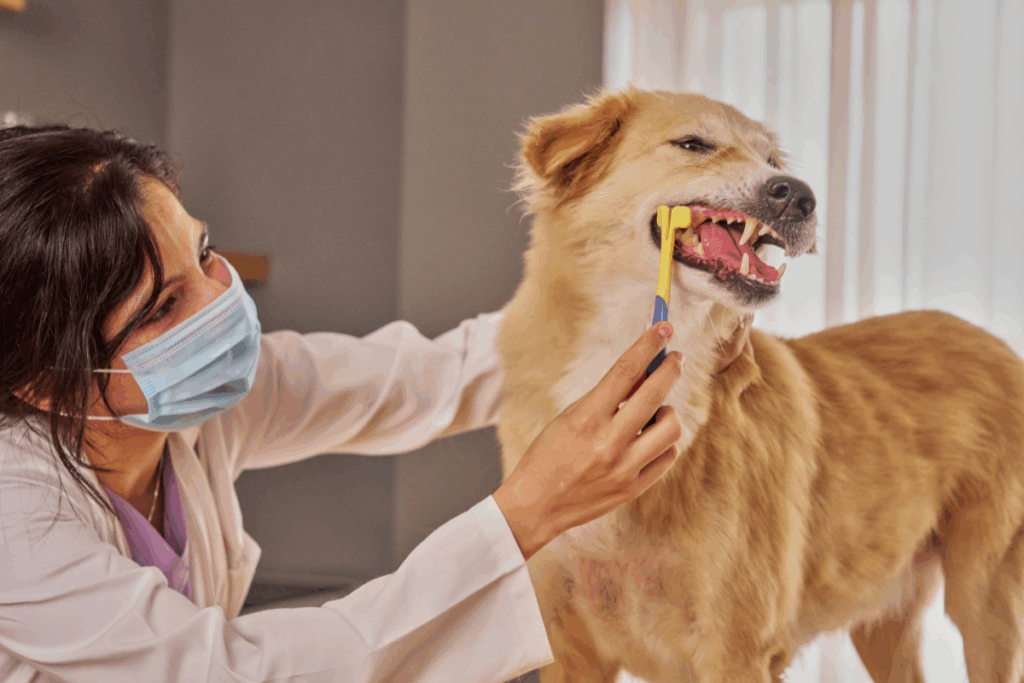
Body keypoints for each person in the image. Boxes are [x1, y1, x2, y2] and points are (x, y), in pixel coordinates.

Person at [0, 124, 685, 683]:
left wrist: (646, 312)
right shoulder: (17, 517)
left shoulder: (189, 403)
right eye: (162, 306)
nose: (220, 303)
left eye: (204, 254)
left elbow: (425, 377)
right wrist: (529, 513)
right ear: (41, 379)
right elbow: (236, 675)